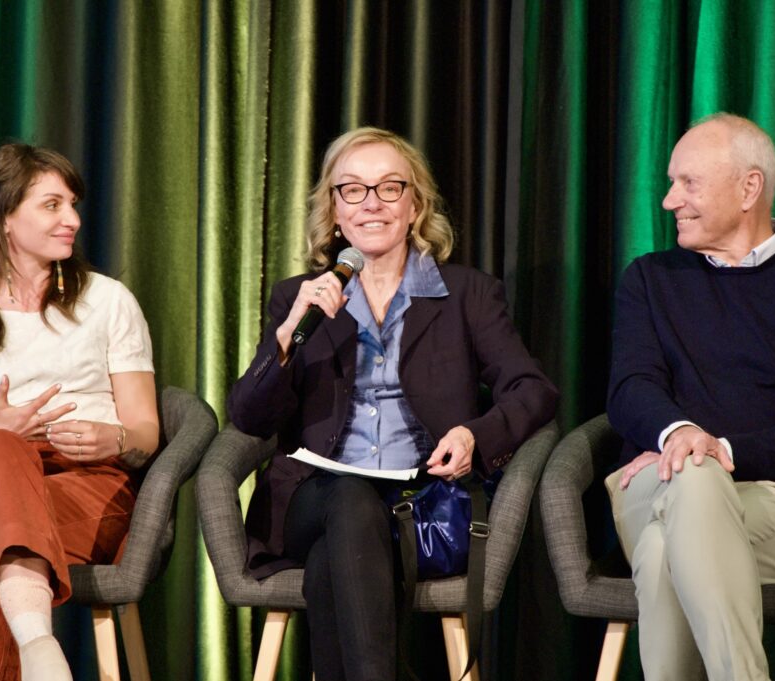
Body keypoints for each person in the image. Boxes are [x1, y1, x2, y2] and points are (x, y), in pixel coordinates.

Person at [227, 127, 558, 681]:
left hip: (422, 500)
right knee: (349, 498)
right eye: (352, 190)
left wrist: (476, 434)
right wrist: (287, 337)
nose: (371, 203)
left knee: (336, 560)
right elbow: (249, 417)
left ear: (414, 205)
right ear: (334, 211)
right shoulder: (298, 297)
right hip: (314, 496)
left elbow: (533, 390)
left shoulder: (467, 294)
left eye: (389, 187)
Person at [605, 113, 775, 680]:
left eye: (688, 183)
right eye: (670, 182)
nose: (667, 200)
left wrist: (726, 450)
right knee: (692, 476)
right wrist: (682, 436)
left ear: (749, 187)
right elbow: (631, 389)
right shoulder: (650, 279)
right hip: (651, 483)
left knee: (662, 553)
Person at [0, 143, 159, 681]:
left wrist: (113, 439)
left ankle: (35, 646)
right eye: (52, 205)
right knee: (0, 447)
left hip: (89, 482)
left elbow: (146, 430)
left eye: (73, 204)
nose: (72, 220)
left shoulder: (110, 301)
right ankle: (39, 646)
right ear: (0, 216)